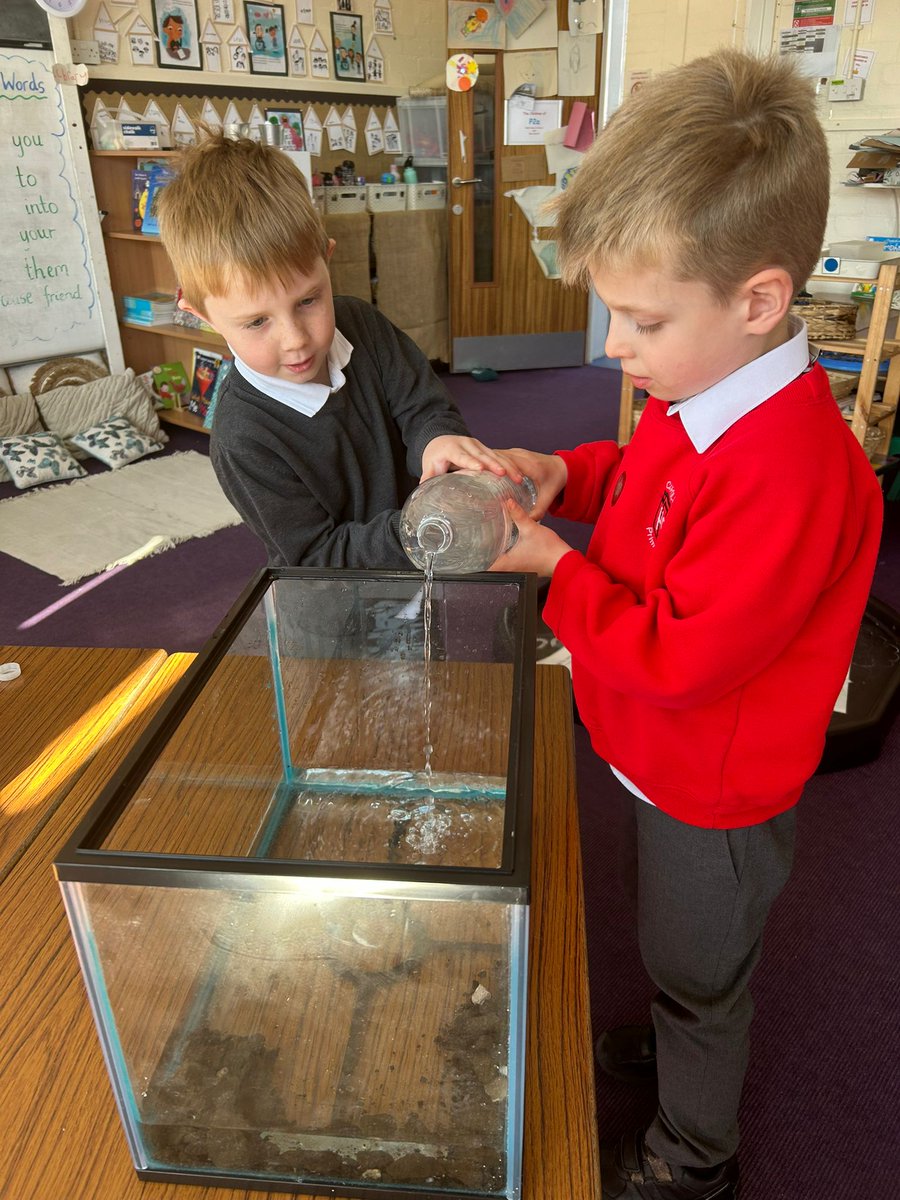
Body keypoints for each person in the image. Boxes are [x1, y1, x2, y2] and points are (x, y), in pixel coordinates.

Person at [492, 49, 883, 1199]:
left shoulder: (792, 468)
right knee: (669, 935)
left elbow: (687, 654)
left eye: (640, 318)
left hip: (713, 785)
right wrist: (561, 471)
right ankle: (671, 1027)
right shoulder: (698, 392)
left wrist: (554, 570)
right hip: (656, 759)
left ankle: (693, 1160)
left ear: (759, 300)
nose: (614, 346)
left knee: (703, 973)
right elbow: (643, 474)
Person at [156, 132, 512, 569]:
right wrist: (419, 528)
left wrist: (437, 438)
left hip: (431, 552)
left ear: (327, 259)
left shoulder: (362, 324)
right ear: (200, 315)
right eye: (256, 322)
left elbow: (422, 409)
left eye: (308, 301)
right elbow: (315, 555)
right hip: (345, 602)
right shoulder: (242, 438)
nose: (295, 339)